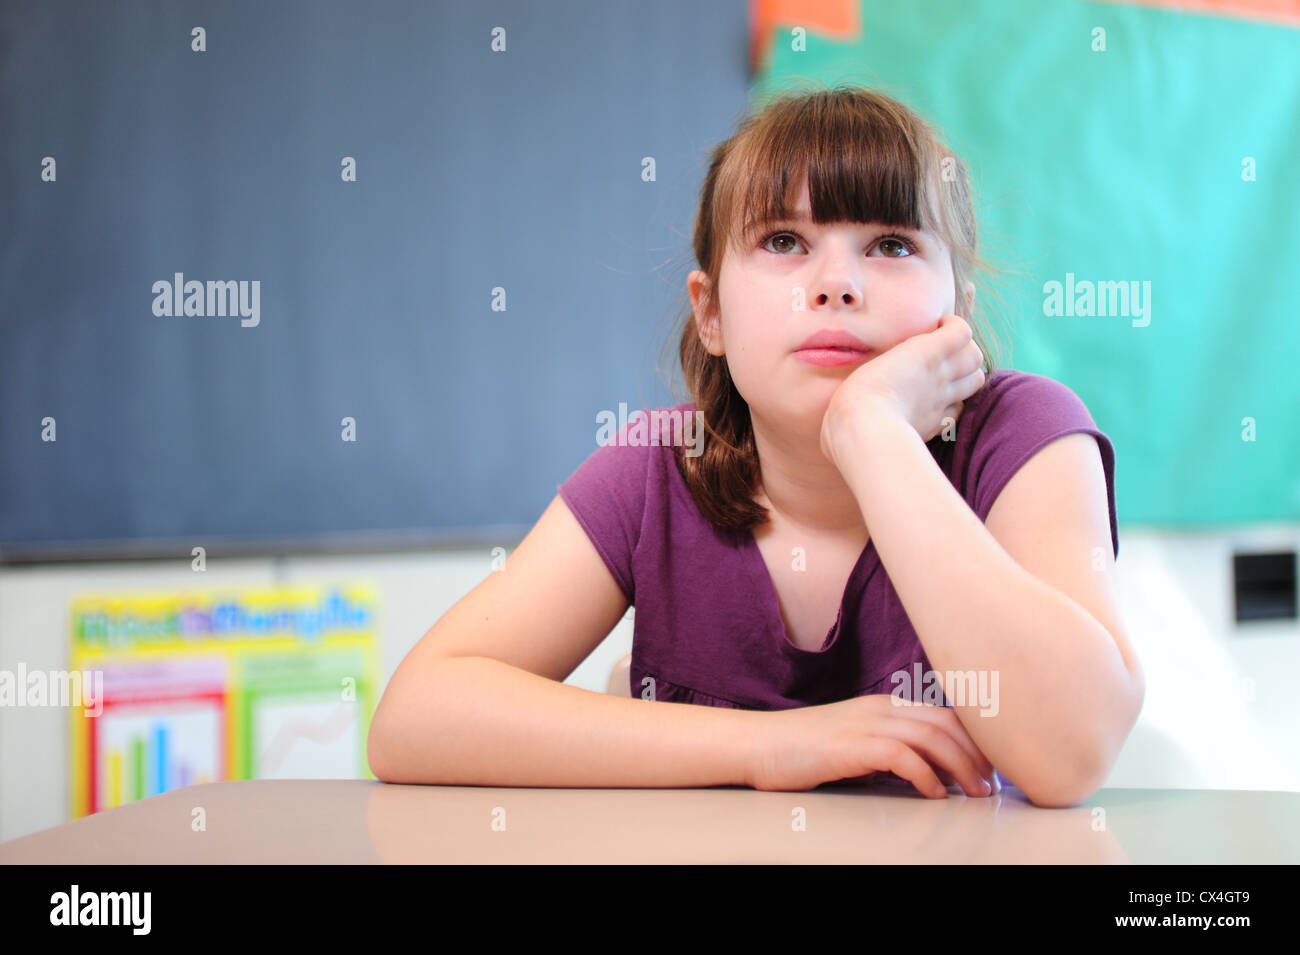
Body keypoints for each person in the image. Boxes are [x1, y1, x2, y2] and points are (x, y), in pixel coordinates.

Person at [368, 85, 1144, 808]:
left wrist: (871, 430)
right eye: (783, 240)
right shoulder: (655, 470)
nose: (838, 283)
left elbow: (1070, 751)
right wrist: (766, 745)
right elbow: (413, 717)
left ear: (958, 314)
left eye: (892, 245)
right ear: (710, 314)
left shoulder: (1021, 435)